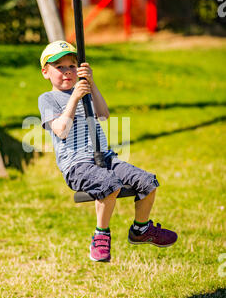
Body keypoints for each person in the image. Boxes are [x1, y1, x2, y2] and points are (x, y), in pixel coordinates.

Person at [38, 40, 177, 262]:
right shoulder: (47, 99)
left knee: (148, 182)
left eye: (71, 66)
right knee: (109, 185)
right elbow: (61, 130)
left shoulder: (85, 90)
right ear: (45, 72)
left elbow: (103, 115)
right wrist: (74, 98)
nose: (67, 72)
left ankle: (140, 230)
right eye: (59, 67)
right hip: (77, 166)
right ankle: (101, 235)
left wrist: (91, 84)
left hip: (105, 157)